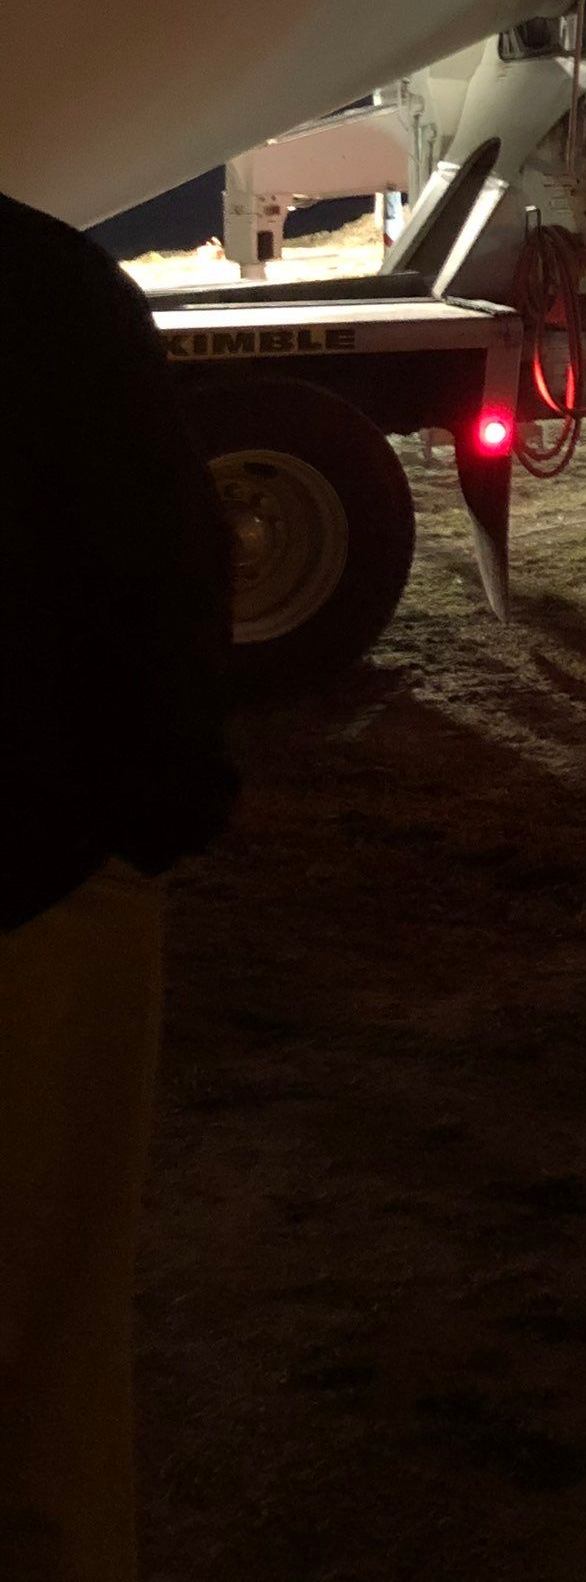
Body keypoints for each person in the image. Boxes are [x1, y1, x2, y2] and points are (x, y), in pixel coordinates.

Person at [1, 189, 236, 1582]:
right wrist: (148, 828)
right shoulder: (44, 285)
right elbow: (162, 563)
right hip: (37, 890)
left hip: (44, 863)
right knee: (50, 1368)